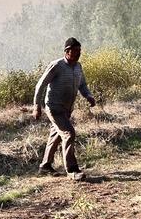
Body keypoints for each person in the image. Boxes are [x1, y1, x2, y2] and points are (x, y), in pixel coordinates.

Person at [33, 37, 96, 181]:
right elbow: (40, 85)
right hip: (54, 108)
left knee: (55, 136)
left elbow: (82, 85)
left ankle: (45, 166)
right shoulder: (57, 65)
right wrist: (36, 106)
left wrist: (88, 95)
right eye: (75, 51)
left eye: (79, 51)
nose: (78, 54)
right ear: (67, 51)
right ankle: (72, 170)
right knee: (69, 133)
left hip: (67, 109)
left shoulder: (78, 67)